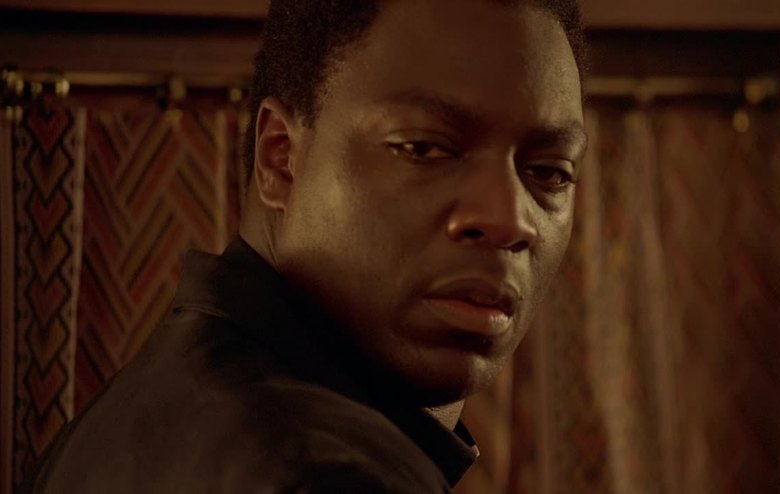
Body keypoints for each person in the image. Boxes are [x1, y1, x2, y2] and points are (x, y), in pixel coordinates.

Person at [25, 0, 587, 491]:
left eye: (549, 172)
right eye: (424, 148)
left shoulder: (130, 415)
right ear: (280, 158)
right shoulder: (334, 473)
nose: (510, 220)